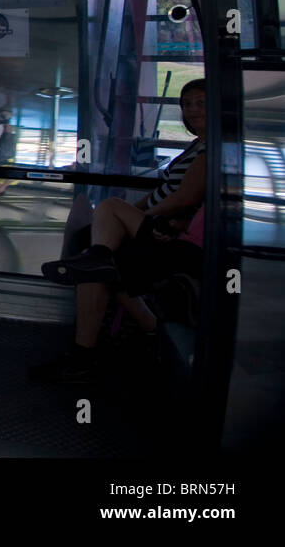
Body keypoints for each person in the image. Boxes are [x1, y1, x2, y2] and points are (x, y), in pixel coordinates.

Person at [29, 79, 207, 383]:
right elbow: (168, 192)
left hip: (180, 245)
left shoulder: (211, 148)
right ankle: (125, 328)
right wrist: (136, 213)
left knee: (107, 214)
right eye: (187, 104)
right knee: (96, 257)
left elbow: (187, 198)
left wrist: (139, 216)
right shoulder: (198, 144)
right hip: (165, 226)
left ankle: (96, 348)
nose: (191, 110)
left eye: (200, 103)